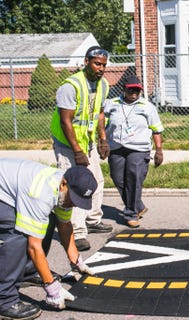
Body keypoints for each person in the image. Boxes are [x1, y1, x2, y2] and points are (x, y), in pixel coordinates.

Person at [0, 158, 96, 319]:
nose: (73, 204)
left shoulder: (62, 192)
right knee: (17, 234)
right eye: (73, 199)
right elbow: (33, 246)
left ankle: (28, 272)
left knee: (49, 220)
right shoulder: (40, 194)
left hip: (11, 187)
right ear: (63, 184)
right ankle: (5, 300)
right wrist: (51, 288)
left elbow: (64, 225)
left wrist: (76, 260)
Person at [50, 45, 113, 252]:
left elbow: (100, 113)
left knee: (96, 180)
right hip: (69, 144)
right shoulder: (71, 86)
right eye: (97, 63)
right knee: (75, 185)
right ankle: (76, 231)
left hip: (88, 141)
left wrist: (103, 139)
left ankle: (93, 220)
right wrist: (77, 151)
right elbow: (65, 121)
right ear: (86, 62)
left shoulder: (103, 84)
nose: (101, 68)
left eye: (104, 64)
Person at [104, 75, 165, 228]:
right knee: (118, 179)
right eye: (131, 89)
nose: (134, 93)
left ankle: (131, 213)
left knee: (133, 178)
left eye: (137, 90)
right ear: (123, 89)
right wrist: (102, 140)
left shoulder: (147, 106)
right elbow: (100, 121)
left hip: (139, 149)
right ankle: (138, 205)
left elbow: (156, 130)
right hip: (116, 148)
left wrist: (159, 151)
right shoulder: (111, 104)